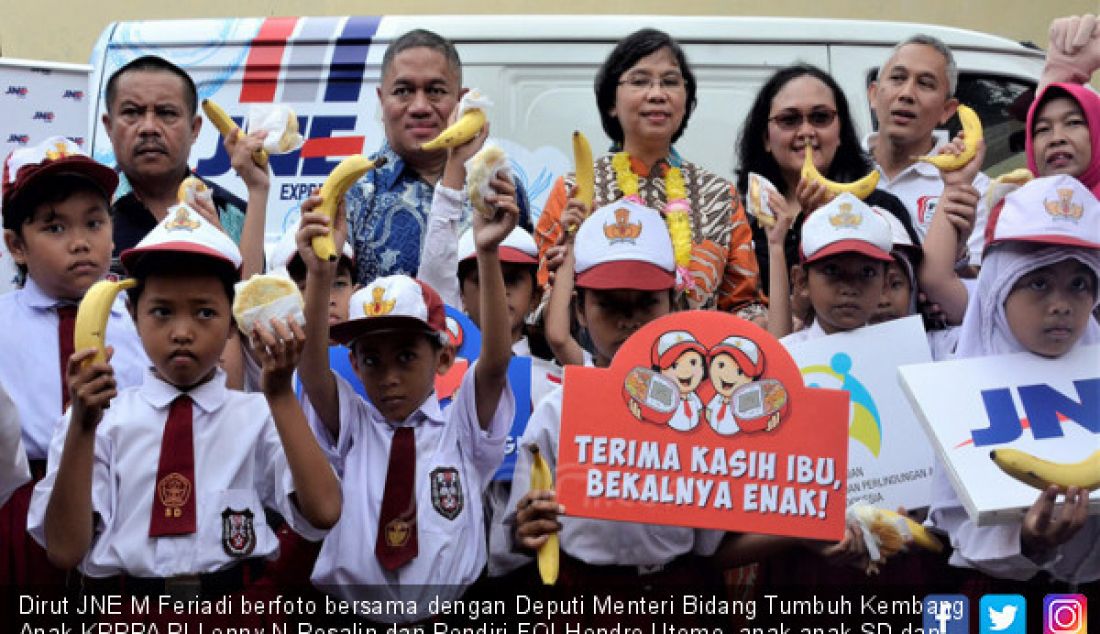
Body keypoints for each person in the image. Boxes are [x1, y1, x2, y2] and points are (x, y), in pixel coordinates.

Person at [26, 206, 340, 606]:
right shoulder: (100, 419)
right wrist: (83, 429)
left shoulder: (257, 415)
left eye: (205, 312)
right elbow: (64, 551)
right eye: (161, 312)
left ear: (232, 323)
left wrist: (279, 394)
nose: (181, 332)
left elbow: (325, 510)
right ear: (133, 317)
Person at [295, 174, 516, 621]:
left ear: (443, 359)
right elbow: (313, 371)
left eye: (406, 356)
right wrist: (320, 273)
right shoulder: (352, 425)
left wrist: (487, 252)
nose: (389, 376)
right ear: (354, 366)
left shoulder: (461, 428)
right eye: (372, 360)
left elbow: (494, 360)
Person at [510, 199, 726, 626]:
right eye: (609, 304)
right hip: (584, 597)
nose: (629, 321)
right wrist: (526, 525)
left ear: (675, 307)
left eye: (646, 303)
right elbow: (522, 529)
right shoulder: (557, 411)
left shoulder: (705, 415)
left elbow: (709, 542)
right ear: (579, 312)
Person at [928, 174, 1100, 584]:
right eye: (1038, 282)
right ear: (997, 290)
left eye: (1080, 284)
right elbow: (960, 531)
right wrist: (1027, 544)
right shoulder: (954, 390)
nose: (1061, 305)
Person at [0, 137, 148, 588]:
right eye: (54, 228)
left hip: (128, 505)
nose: (81, 242)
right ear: (16, 246)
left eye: (94, 222)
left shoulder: (143, 322)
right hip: (26, 510)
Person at [535, 28, 765, 318]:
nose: (657, 94)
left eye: (670, 82)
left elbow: (745, 305)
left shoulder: (719, 196)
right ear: (611, 104)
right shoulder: (575, 190)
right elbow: (535, 308)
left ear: (686, 100)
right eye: (640, 81)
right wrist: (564, 269)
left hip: (695, 359)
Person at [345, 28, 531, 284]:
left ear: (462, 100)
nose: (420, 107)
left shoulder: (497, 187)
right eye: (402, 91)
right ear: (381, 100)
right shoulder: (354, 195)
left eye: (435, 91)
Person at [735, 64, 921, 299]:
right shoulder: (740, 219)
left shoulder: (882, 210)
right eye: (789, 119)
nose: (806, 131)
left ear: (840, 132)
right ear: (766, 139)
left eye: (820, 117)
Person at [102, 54, 269, 278]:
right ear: (109, 126)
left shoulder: (233, 214)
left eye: (167, 113)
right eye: (132, 113)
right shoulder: (89, 209)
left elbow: (252, 305)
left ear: (195, 128)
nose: (149, 128)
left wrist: (223, 246)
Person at [866, 34, 991, 268]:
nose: (907, 94)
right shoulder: (838, 173)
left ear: (947, 110)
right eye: (897, 78)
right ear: (873, 94)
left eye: (925, 84)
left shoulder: (973, 189)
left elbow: (978, 289)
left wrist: (957, 254)